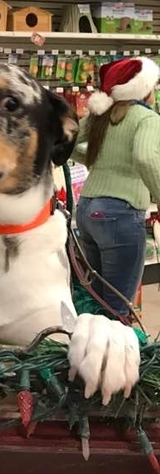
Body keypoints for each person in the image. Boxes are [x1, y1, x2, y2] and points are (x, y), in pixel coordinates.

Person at [73, 56, 160, 317]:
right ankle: (113, 356)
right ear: (143, 88)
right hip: (120, 214)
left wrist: (95, 160)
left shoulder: (100, 116)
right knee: (117, 307)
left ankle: (87, 352)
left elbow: (68, 142)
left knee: (95, 298)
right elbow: (145, 157)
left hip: (87, 210)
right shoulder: (146, 118)